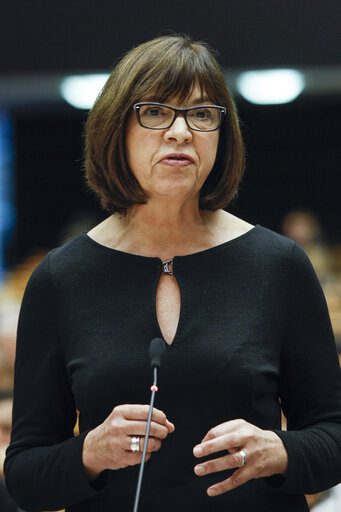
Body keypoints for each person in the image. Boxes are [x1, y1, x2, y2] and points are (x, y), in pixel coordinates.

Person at [4, 35, 341, 512]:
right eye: (156, 112)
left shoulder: (279, 265)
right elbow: (24, 475)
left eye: (202, 115)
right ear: (114, 129)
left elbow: (334, 436)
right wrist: (90, 452)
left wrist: (280, 450)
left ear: (222, 135)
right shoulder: (59, 279)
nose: (181, 132)